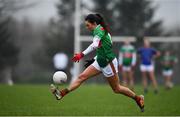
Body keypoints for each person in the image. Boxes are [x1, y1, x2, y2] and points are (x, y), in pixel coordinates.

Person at [50, 13, 144, 112]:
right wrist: (95, 59)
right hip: (99, 61)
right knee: (81, 77)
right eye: (86, 25)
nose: (87, 27)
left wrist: (81, 54)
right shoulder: (102, 31)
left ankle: (138, 98)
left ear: (94, 23)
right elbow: (104, 46)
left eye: (88, 25)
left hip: (109, 63)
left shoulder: (99, 31)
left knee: (117, 89)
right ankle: (62, 93)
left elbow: (94, 45)